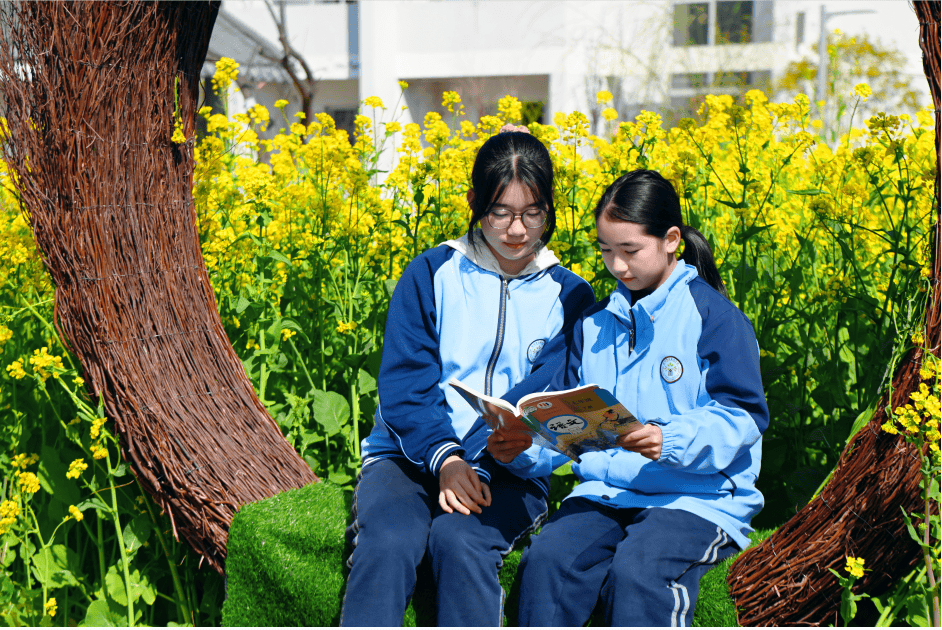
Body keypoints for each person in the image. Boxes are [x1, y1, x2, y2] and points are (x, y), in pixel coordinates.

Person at [340, 128, 595, 626]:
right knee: (388, 542)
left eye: (533, 212)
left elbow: (551, 393)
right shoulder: (430, 273)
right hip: (409, 457)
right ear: (475, 202)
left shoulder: (571, 297)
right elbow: (406, 384)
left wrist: (490, 458)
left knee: (459, 541)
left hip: (512, 469)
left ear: (551, 208)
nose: (517, 230)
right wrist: (447, 459)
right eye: (501, 212)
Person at [491, 169, 768, 627]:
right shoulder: (593, 322)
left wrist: (670, 438)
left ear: (671, 239)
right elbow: (570, 430)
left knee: (639, 571)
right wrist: (524, 446)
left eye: (630, 251)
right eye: (605, 250)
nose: (617, 266)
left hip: (696, 498)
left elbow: (743, 417)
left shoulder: (715, 317)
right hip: (605, 491)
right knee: (547, 562)